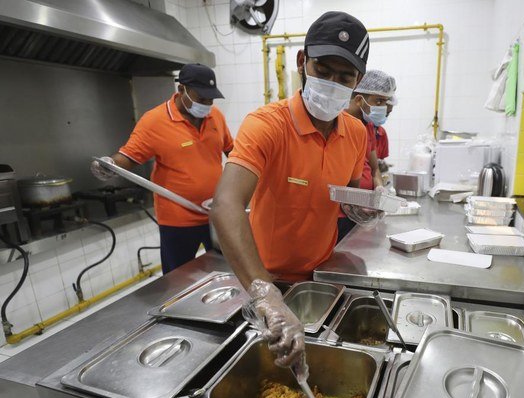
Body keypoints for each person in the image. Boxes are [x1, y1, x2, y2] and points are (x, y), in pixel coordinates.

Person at [210, 11, 371, 373]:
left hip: (323, 278)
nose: (332, 83)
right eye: (322, 71)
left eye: (344, 77)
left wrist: (360, 208)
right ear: (302, 62)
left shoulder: (356, 133)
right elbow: (225, 205)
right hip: (267, 278)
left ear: (358, 80)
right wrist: (265, 295)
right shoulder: (267, 124)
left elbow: (349, 192)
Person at [90, 63, 233, 274]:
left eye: (211, 99)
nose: (207, 104)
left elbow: (233, 150)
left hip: (215, 214)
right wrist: (109, 164)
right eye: (202, 98)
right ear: (181, 89)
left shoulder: (215, 117)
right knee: (178, 278)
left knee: (226, 270)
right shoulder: (155, 121)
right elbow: (129, 156)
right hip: (178, 219)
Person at [337, 69, 397, 242]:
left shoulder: (368, 126)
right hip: (340, 214)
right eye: (378, 101)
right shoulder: (337, 123)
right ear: (358, 99)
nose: (383, 107)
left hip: (364, 207)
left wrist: (379, 189)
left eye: (385, 102)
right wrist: (349, 203)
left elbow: (374, 168)